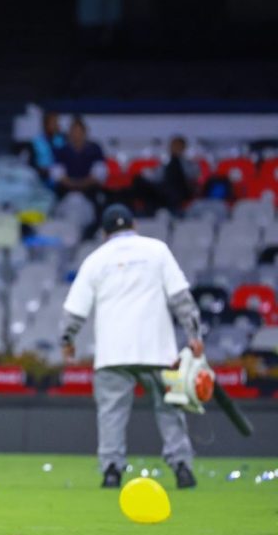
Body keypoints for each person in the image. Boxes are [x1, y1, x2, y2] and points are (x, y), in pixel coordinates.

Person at [60, 204, 201, 490]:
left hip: (113, 354)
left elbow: (75, 310)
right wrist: (194, 335)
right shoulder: (157, 250)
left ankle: (112, 470)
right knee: (170, 410)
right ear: (134, 225)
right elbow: (181, 297)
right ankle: (182, 468)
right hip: (159, 351)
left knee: (111, 414)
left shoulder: (96, 259)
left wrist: (67, 341)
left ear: (104, 233)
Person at [131, 135, 200, 214]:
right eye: (173, 146)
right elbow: (157, 176)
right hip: (164, 189)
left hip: (179, 191)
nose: (175, 148)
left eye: (178, 146)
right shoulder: (165, 162)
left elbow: (193, 175)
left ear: (183, 148)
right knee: (138, 180)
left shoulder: (188, 163)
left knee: (175, 165)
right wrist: (146, 173)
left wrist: (180, 161)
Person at [52, 117, 106, 197]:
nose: (76, 135)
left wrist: (82, 184)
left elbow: (99, 173)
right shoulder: (62, 150)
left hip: (89, 190)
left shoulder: (95, 149)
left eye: (79, 132)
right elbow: (57, 174)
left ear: (84, 133)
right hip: (67, 190)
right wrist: (72, 184)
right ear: (70, 133)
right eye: (74, 132)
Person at [30, 110, 65, 183]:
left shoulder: (62, 139)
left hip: (58, 174)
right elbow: (31, 162)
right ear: (45, 124)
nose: (55, 125)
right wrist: (40, 169)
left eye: (56, 122)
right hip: (41, 173)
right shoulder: (36, 141)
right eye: (53, 123)